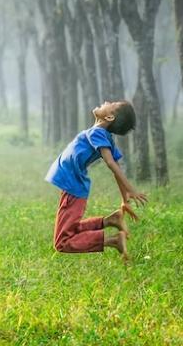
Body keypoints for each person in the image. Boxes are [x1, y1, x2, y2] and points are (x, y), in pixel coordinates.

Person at [45, 101, 147, 261]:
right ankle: (110, 220)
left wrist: (130, 189)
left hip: (73, 188)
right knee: (70, 229)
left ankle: (113, 241)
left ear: (109, 116)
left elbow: (111, 163)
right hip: (73, 186)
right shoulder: (103, 135)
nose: (106, 102)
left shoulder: (98, 133)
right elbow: (116, 166)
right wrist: (124, 199)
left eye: (111, 104)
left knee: (62, 243)